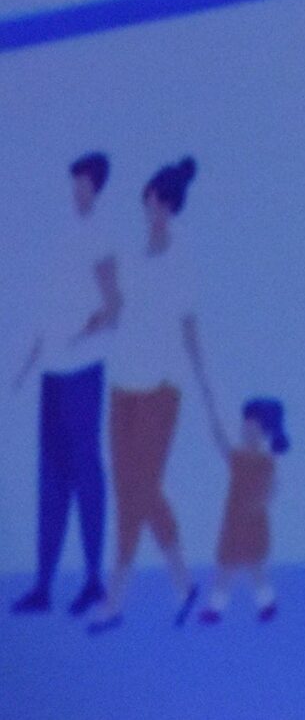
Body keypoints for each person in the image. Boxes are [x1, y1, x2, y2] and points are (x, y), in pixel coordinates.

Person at [86, 157, 216, 633]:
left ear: (173, 208)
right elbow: (117, 311)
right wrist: (91, 322)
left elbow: (189, 327)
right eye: (151, 201)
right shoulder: (131, 254)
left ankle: (115, 599)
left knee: (135, 492)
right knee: (138, 489)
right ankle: (184, 584)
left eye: (163, 204)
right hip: (123, 384)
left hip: (162, 389)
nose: (154, 210)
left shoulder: (182, 262)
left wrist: (205, 388)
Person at [9, 151, 121, 617]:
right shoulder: (65, 237)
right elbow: (51, 309)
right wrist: (28, 363)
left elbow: (114, 305)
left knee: (85, 470)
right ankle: (43, 585)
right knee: (51, 475)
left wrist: (81, 334)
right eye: (74, 183)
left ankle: (93, 579)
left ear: (96, 187)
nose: (77, 191)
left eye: (84, 183)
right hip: (53, 373)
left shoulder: (100, 236)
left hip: (82, 373)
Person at [197, 398, 287, 624]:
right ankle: (217, 607)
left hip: (254, 522)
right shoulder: (238, 458)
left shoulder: (266, 462)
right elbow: (220, 438)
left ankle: (266, 603)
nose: (246, 432)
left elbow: (273, 488)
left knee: (254, 566)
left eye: (252, 429)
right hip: (234, 522)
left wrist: (261, 504)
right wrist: (211, 408)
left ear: (263, 433)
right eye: (245, 428)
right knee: (227, 565)